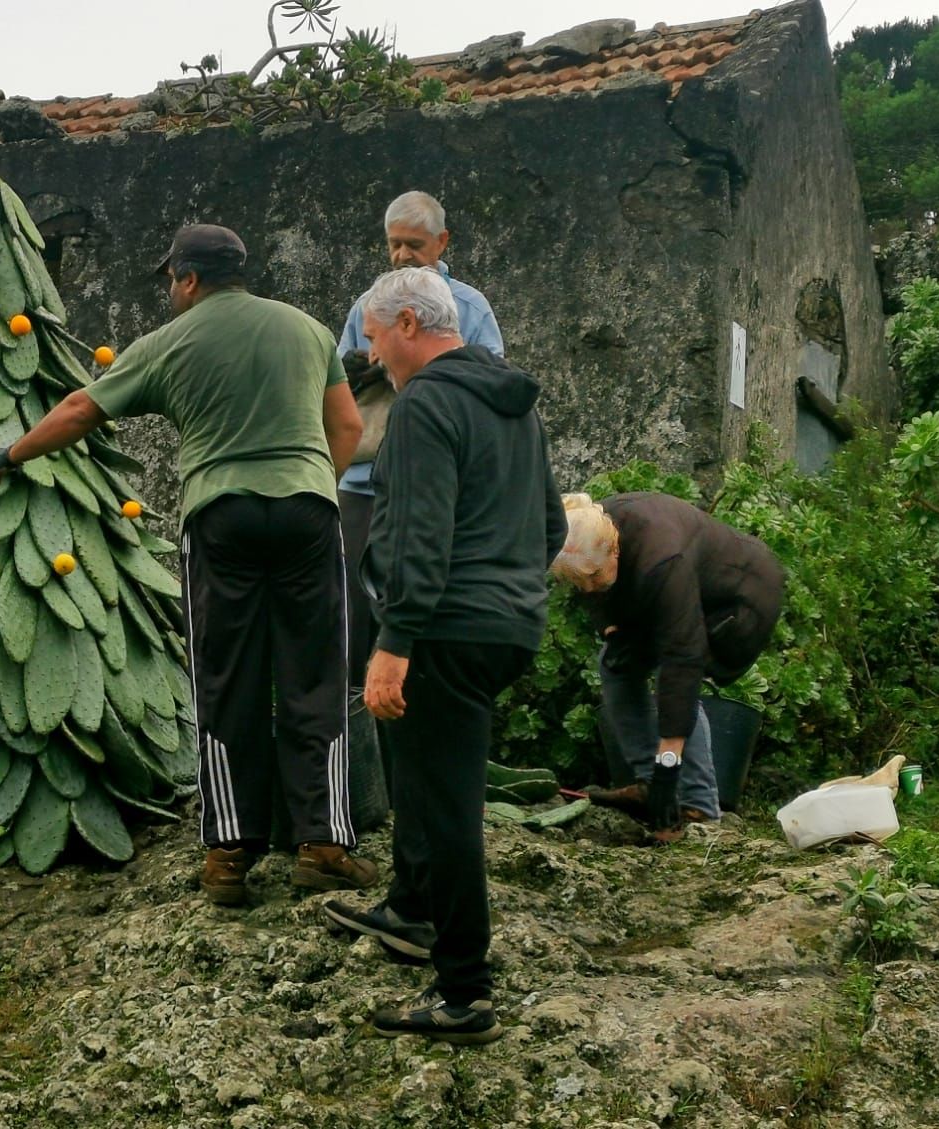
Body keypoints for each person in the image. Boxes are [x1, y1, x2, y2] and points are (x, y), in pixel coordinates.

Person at [0, 224, 377, 905]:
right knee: (316, 672)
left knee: (227, 678)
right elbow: (347, 427)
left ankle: (229, 855)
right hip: (308, 513)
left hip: (220, 517)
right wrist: (309, 481)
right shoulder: (308, 331)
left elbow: (80, 410)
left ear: (188, 278)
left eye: (171, 279)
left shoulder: (166, 344)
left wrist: (10, 455)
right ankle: (324, 843)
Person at [322, 267, 565, 1045]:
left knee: (447, 803)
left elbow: (419, 537)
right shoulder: (511, 404)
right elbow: (553, 527)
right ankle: (413, 908)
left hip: (444, 628)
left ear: (405, 323)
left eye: (370, 330)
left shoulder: (426, 403)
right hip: (503, 624)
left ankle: (466, 990)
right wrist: (510, 588)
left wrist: (394, 642)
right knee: (418, 772)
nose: (365, 349)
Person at [337, 190, 505, 686]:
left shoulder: (470, 307)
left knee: (425, 604)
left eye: (414, 243)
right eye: (394, 244)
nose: (403, 255)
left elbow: (488, 381)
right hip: (365, 481)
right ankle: (354, 726)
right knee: (352, 613)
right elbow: (337, 384)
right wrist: (360, 367)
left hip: (438, 480)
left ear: (442, 242)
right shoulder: (367, 305)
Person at [550, 492, 785, 840]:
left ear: (615, 549)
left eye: (594, 576)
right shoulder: (588, 526)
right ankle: (647, 786)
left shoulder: (662, 558)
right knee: (615, 663)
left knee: (674, 676)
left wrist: (668, 767)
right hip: (673, 589)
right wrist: (608, 621)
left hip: (740, 597)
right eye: (578, 581)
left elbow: (682, 661)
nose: (587, 587)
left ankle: (700, 807)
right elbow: (591, 583)